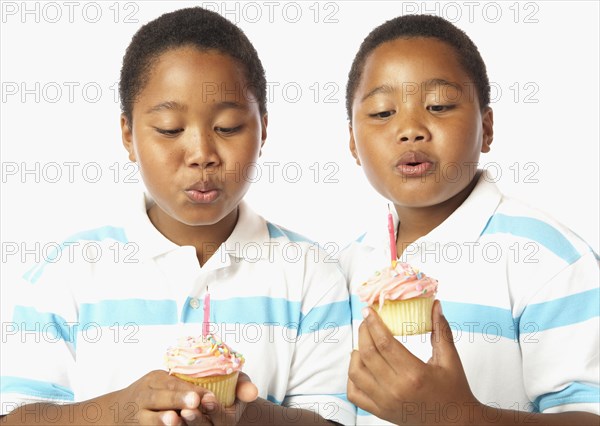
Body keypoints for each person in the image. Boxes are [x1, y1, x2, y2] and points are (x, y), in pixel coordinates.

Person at [0, 7, 353, 426]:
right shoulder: (67, 273)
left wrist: (247, 416)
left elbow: (332, 420)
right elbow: (15, 416)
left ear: (263, 131)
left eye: (228, 127)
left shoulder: (311, 274)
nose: (202, 153)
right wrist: (117, 410)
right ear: (128, 135)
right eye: (169, 129)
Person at [338, 14, 599, 425]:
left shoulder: (549, 259)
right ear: (353, 142)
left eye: (439, 106)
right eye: (383, 113)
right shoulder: (345, 266)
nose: (410, 130)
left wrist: (461, 416)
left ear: (487, 127)